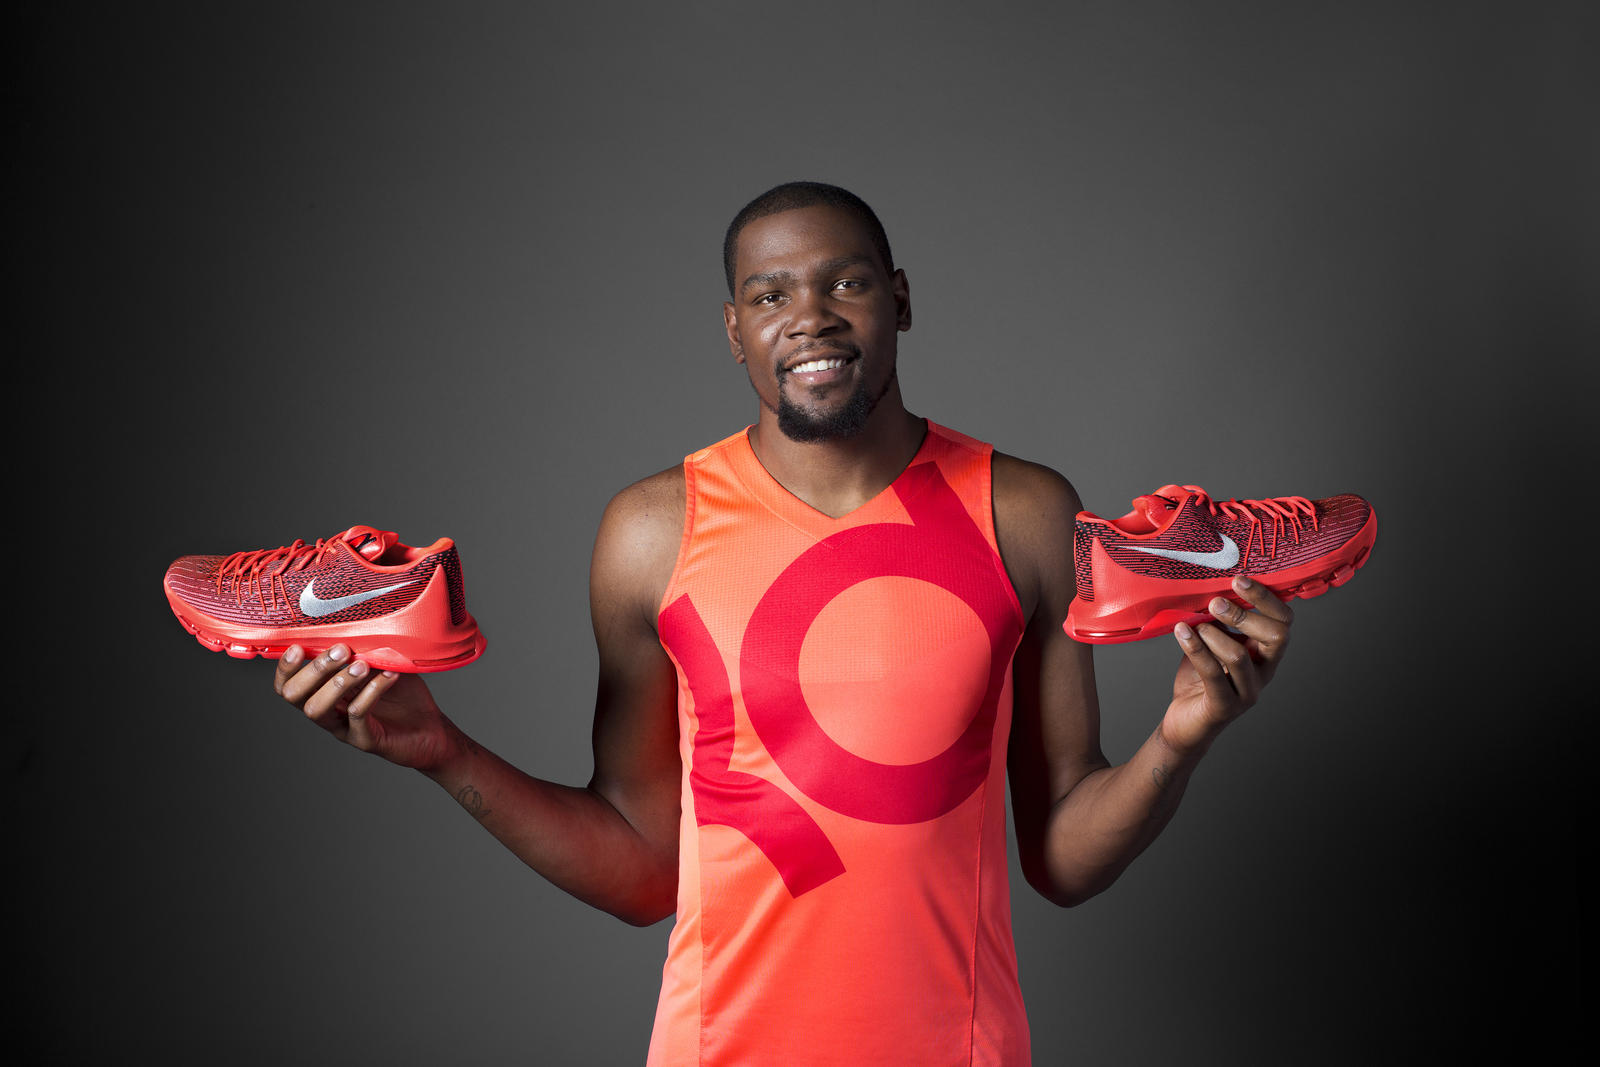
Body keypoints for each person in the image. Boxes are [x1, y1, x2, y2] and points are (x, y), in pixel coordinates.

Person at [272, 182, 1296, 1065]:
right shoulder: (651, 532)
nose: (810, 317)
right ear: (735, 331)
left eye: (845, 283)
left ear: (900, 299)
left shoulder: (1022, 511)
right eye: (770, 295)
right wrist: (441, 751)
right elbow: (643, 867)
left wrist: (1181, 738)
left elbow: (1062, 857)